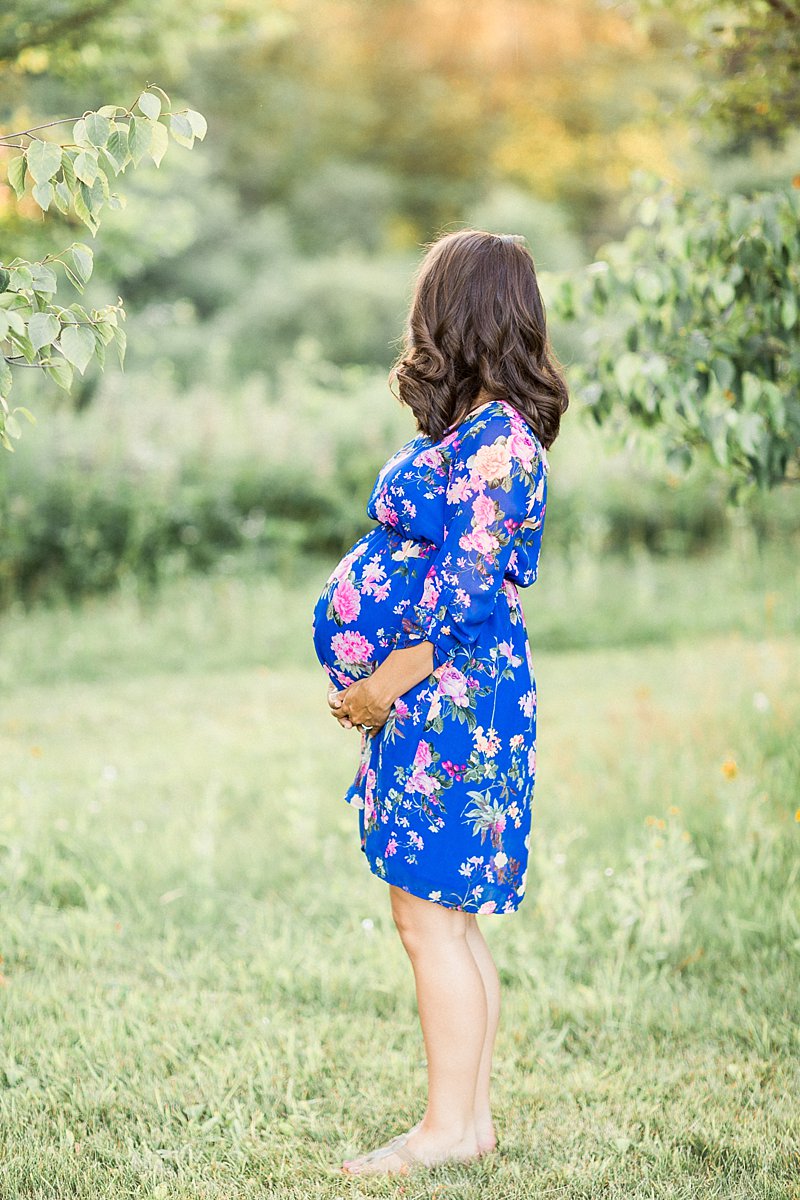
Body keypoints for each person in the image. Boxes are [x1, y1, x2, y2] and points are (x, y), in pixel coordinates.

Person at [310, 228, 569, 1176]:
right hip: (453, 700)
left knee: (427, 921)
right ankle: (472, 1123)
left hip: (446, 701)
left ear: (453, 315)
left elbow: (459, 601)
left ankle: (445, 1132)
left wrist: (379, 685)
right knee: (445, 918)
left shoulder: (496, 441)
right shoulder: (488, 431)